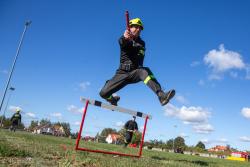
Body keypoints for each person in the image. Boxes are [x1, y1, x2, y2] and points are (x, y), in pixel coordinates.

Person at [99, 18, 175, 106]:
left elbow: (137, 48)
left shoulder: (142, 43)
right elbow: (122, 42)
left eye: (140, 28)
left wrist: (132, 41)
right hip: (122, 73)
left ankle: (161, 95)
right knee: (103, 93)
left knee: (144, 70)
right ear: (129, 28)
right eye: (135, 27)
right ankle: (112, 100)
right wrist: (125, 38)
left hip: (135, 73)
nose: (138, 29)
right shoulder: (124, 39)